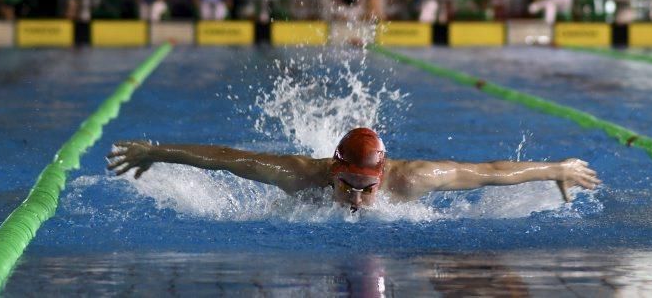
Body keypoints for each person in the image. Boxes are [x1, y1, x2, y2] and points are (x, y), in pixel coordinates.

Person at [107, 127, 601, 213]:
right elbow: (224, 158)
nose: (358, 201)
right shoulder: (301, 174)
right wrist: (157, 152)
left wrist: (556, 168)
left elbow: (490, 172)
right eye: (347, 186)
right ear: (332, 172)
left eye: (367, 190)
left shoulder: (413, 179)